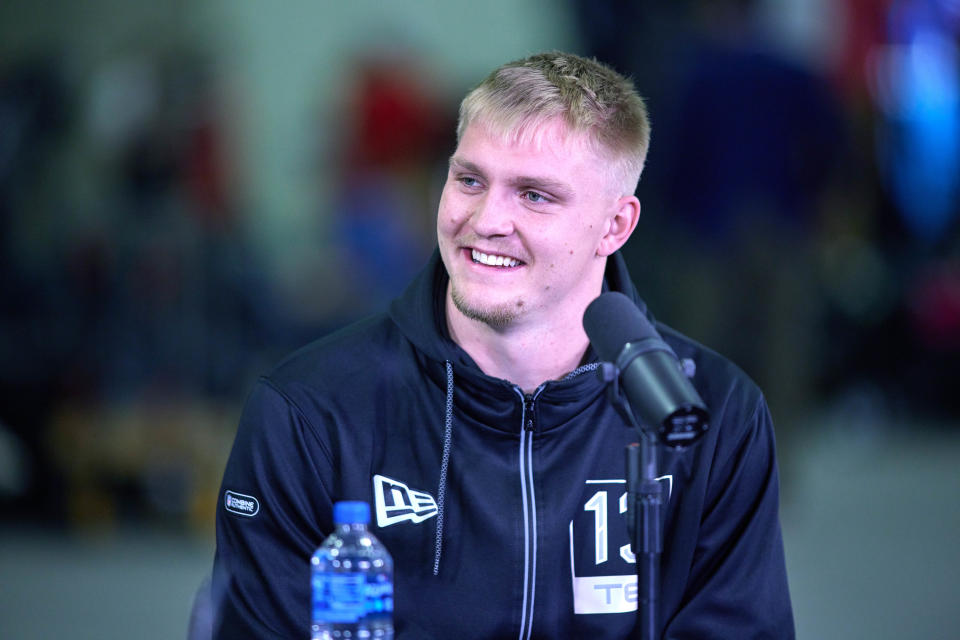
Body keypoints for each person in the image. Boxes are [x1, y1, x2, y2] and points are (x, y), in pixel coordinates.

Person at [211, 51, 794, 639]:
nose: (486, 219)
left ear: (616, 226)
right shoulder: (309, 411)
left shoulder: (710, 414)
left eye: (534, 195)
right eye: (470, 180)